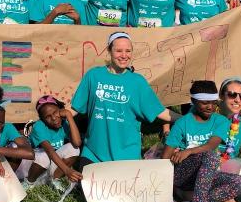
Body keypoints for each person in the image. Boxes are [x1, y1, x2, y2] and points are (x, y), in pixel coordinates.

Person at [71, 32, 174, 168]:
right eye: (119, 51)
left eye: (128, 51)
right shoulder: (93, 75)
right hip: (93, 153)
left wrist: (188, 118)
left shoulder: (137, 82)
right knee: (88, 182)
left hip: (126, 156)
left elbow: (159, 112)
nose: (124, 55)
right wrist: (53, 115)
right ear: (109, 51)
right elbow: (74, 108)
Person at [162, 81, 241, 202]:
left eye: (213, 102)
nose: (210, 107)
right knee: (211, 156)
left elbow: (212, 145)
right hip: (183, 174)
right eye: (204, 103)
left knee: (240, 182)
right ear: (193, 101)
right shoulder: (183, 123)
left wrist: (188, 151)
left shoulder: (220, 121)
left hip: (206, 174)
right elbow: (165, 157)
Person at [20, 95, 82, 188]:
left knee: (74, 149)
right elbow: (49, 150)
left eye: (55, 112)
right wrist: (67, 170)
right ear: (42, 119)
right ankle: (29, 183)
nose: (53, 118)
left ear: (60, 110)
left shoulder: (63, 123)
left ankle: (53, 180)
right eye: (47, 117)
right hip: (32, 166)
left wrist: (69, 115)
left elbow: (77, 143)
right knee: (44, 155)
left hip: (49, 163)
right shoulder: (39, 126)